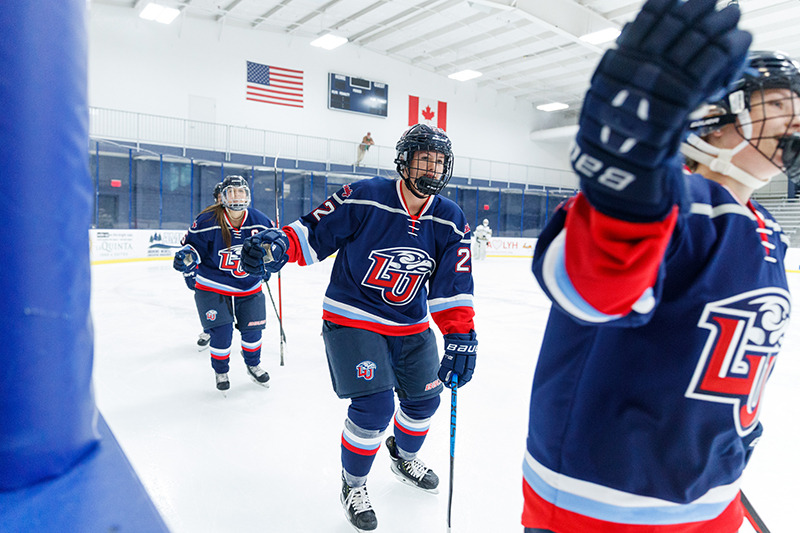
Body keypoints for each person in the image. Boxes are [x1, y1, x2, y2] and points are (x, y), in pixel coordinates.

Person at [521, 0, 800, 531]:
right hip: (603, 504)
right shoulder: (672, 202)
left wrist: (728, 456)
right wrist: (630, 172)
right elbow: (591, 290)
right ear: (716, 121)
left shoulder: (766, 227)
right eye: (781, 107)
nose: (797, 124)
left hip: (711, 498)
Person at [240, 124, 478, 531]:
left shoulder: (450, 218)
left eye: (440, 161)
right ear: (404, 160)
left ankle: (403, 456)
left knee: (424, 403)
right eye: (425, 158)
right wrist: (279, 246)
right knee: (374, 407)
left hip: (412, 325)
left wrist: (460, 336)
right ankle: (353, 484)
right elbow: (314, 231)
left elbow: (453, 286)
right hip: (352, 317)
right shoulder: (364, 194)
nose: (433, 168)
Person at [173, 175, 275, 393]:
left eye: (241, 191)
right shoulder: (207, 221)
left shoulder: (261, 221)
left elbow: (273, 251)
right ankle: (221, 370)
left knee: (254, 331)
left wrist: (270, 262)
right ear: (223, 196)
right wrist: (187, 257)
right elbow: (193, 249)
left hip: (249, 285)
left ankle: (253, 364)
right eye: (231, 191)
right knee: (221, 332)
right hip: (213, 284)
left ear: (247, 195)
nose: (236, 196)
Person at [185, 180, 224, 351]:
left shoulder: (243, 217)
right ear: (217, 198)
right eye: (222, 195)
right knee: (210, 302)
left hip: (233, 272)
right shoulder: (207, 218)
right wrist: (188, 270)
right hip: (210, 271)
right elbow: (191, 245)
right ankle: (209, 330)